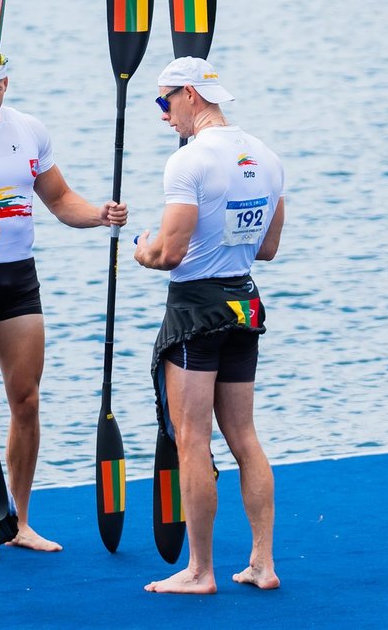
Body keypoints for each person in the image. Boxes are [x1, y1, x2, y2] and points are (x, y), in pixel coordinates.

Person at [0, 47, 128, 558]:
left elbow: (59, 200)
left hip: (18, 279)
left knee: (27, 401)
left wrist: (100, 214)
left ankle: (18, 520)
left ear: (6, 87)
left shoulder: (29, 130)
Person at [134, 57, 285, 594]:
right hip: (245, 302)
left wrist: (140, 249)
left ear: (191, 96)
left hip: (196, 309)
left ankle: (200, 572)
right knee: (244, 435)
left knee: (192, 440)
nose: (162, 115)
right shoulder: (267, 157)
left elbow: (170, 254)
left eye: (163, 102)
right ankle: (263, 563)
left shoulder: (189, 163)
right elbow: (267, 248)